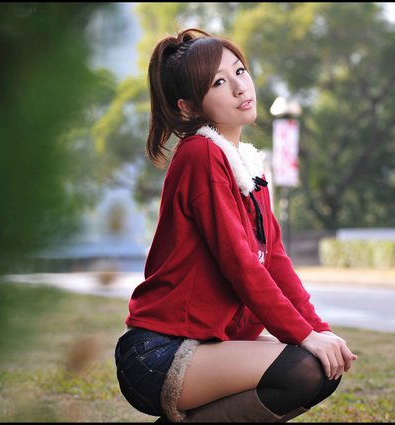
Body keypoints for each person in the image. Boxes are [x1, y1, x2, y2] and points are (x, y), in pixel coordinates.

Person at [114, 28, 358, 423]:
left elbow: (274, 262)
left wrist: (318, 330)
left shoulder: (247, 165)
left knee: (321, 366)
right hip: (160, 352)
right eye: (218, 83)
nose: (240, 87)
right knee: (303, 369)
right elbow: (241, 265)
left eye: (240, 71)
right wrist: (304, 335)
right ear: (189, 107)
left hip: (206, 346)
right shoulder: (200, 155)